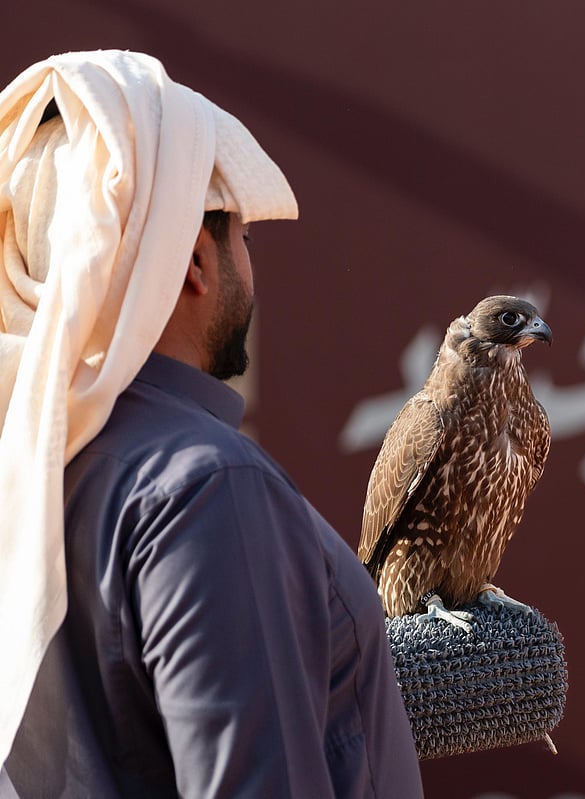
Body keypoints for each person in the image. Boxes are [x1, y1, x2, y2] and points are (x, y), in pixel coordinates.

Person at [0, 51, 423, 796]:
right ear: (196, 260)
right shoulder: (206, 486)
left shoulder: (26, 469)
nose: (251, 267)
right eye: (243, 240)